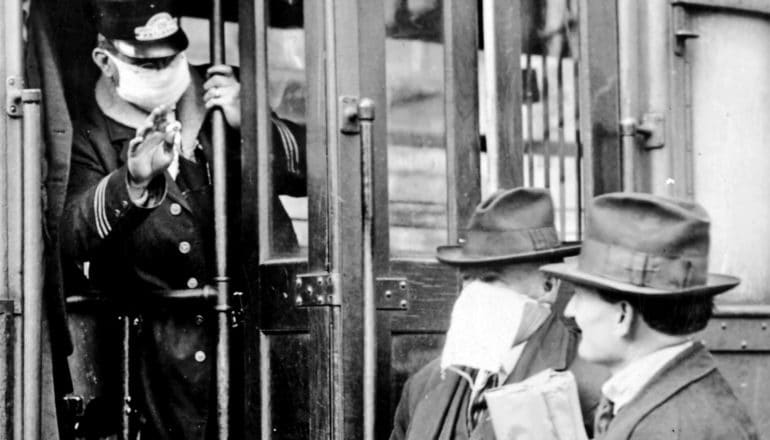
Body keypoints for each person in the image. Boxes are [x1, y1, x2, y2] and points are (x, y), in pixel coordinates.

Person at [59, 1, 305, 439]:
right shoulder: (91, 132)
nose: (165, 72)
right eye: (146, 64)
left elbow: (318, 170)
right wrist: (131, 180)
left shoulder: (224, 90)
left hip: (259, 347)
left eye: (172, 59)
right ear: (105, 61)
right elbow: (72, 236)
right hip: (160, 365)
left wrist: (250, 122)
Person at [390, 187, 607, 440]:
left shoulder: (596, 384)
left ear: (548, 284)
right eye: (469, 280)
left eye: (493, 281)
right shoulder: (424, 385)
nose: (475, 295)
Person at [541, 192, 759, 440]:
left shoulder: (667, 424)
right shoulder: (664, 396)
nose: (570, 311)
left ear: (622, 316)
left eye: (579, 297)